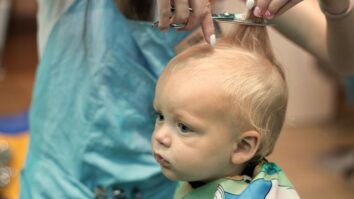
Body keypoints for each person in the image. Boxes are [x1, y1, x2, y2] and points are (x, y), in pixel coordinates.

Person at [20, 0, 353, 199]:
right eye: (159, 117)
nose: (160, 134)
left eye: (180, 123)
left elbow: (344, 58)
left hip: (170, 187)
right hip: (58, 183)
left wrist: (338, 6)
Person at [151, 13, 299, 199]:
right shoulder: (206, 173)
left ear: (241, 147)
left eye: (183, 127)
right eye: (160, 116)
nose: (160, 136)